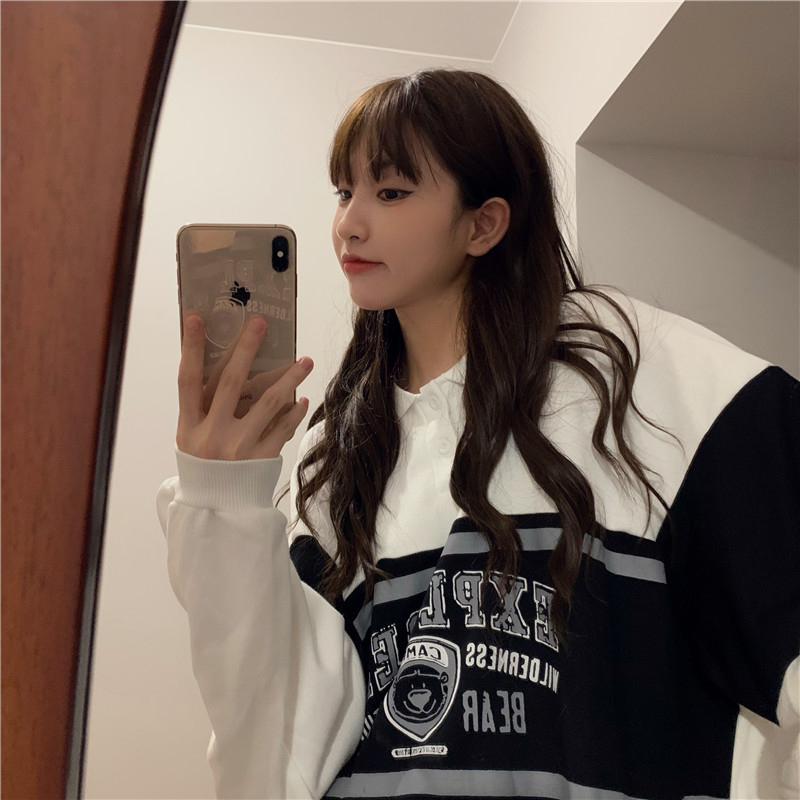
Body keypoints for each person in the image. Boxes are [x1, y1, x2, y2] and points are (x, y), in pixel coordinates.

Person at [157, 69, 800, 800]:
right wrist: (223, 497)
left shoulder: (638, 375)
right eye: (343, 192)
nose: (349, 225)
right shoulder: (335, 451)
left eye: (390, 192)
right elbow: (274, 752)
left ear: (483, 224)